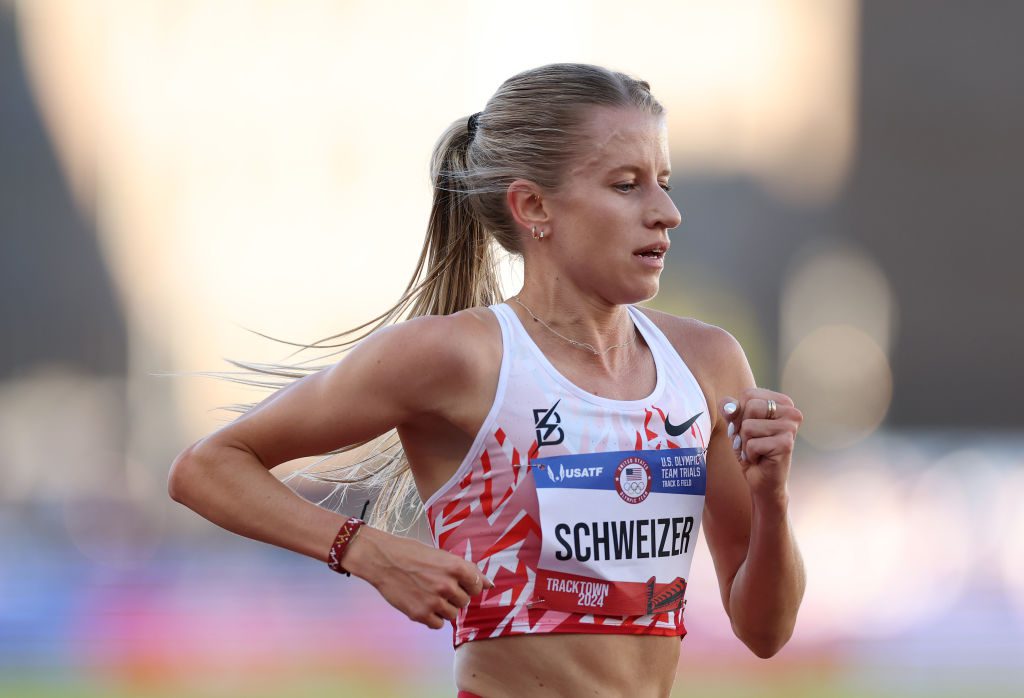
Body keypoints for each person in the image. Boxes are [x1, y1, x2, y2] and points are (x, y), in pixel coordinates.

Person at [168, 62, 805, 698]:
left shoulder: (706, 362)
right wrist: (364, 551)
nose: (667, 212)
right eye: (626, 185)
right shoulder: (460, 358)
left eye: (663, 182)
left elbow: (765, 630)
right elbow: (207, 467)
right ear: (532, 206)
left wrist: (771, 496)